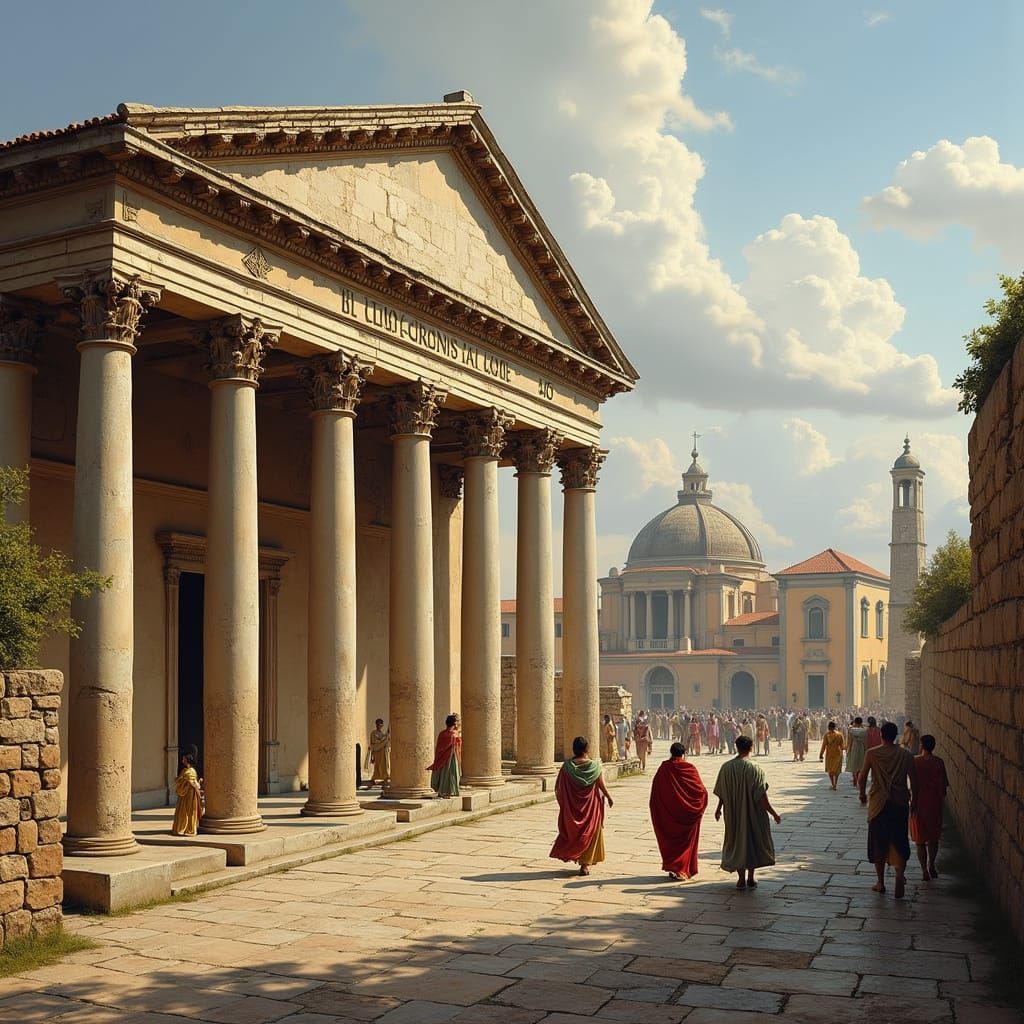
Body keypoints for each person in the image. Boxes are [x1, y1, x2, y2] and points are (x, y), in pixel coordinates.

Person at [713, 735, 782, 889]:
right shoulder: (755, 768)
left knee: (737, 841)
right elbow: (761, 795)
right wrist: (773, 813)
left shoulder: (726, 767)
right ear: (751, 747)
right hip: (753, 813)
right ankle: (750, 877)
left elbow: (722, 791)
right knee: (752, 841)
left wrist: (718, 808)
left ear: (736, 747)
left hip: (733, 813)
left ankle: (740, 879)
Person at [859, 721, 917, 899]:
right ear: (896, 735)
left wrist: (862, 794)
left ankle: (880, 882)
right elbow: (914, 781)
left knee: (879, 842)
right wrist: (914, 801)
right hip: (899, 802)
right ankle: (899, 873)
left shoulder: (872, 753)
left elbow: (862, 778)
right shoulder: (906, 755)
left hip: (878, 804)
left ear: (882, 736)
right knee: (899, 839)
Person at [550, 735, 614, 876]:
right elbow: (600, 784)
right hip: (591, 806)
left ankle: (578, 857)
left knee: (576, 833)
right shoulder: (594, 766)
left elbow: (559, 788)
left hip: (573, 808)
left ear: (574, 749)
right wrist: (608, 797)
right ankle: (585, 865)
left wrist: (565, 804)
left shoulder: (567, 767)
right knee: (590, 832)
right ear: (587, 749)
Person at [650, 742, 708, 881]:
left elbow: (656, 793)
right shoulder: (689, 768)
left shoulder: (663, 769)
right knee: (685, 842)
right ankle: (680, 869)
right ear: (684, 754)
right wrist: (698, 807)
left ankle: (674, 867)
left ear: (671, 753)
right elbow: (701, 791)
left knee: (671, 841)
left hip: (668, 815)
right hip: (687, 814)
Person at [910, 734, 949, 881]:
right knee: (933, 838)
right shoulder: (939, 763)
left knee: (920, 840)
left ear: (922, 745)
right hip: (934, 805)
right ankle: (932, 864)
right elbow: (943, 787)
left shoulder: (915, 762)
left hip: (918, 803)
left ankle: (924, 870)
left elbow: (911, 783)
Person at [427, 713, 462, 797]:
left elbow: (439, 746)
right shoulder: (452, 734)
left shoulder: (442, 733)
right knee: (450, 774)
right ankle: (449, 791)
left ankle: (442, 791)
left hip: (442, 756)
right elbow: (451, 744)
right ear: (454, 724)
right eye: (457, 722)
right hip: (450, 757)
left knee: (444, 774)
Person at [172, 752, 202, 836]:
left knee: (189, 811)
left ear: (187, 760)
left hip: (190, 794)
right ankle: (181, 828)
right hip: (183, 794)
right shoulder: (184, 770)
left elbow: (193, 783)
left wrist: (199, 794)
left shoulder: (191, 771)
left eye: (184, 759)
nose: (182, 761)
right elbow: (180, 780)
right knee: (183, 810)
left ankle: (190, 829)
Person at [364, 718, 391, 788]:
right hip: (377, 752)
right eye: (378, 724)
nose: (379, 725)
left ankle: (385, 778)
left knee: (384, 766)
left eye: (381, 724)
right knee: (377, 766)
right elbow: (376, 743)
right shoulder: (373, 733)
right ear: (376, 725)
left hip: (383, 753)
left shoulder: (382, 734)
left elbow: (385, 740)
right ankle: (375, 777)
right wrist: (385, 739)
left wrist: (387, 736)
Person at [819, 722, 845, 790]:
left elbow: (824, 746)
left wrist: (821, 754)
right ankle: (835, 784)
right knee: (837, 770)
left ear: (828, 727)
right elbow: (842, 746)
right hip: (838, 754)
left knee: (830, 770)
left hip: (830, 754)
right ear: (835, 727)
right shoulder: (839, 735)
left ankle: (833, 784)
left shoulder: (827, 735)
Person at [846, 716, 867, 786]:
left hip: (854, 748)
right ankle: (858, 778)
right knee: (860, 764)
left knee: (854, 763)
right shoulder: (864, 731)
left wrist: (848, 749)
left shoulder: (851, 730)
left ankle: (855, 778)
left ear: (855, 722)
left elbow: (850, 740)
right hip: (861, 748)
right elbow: (865, 742)